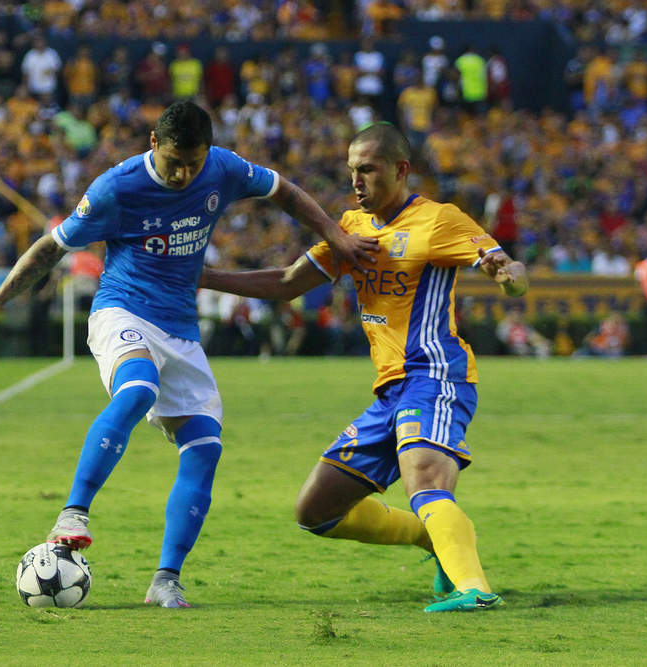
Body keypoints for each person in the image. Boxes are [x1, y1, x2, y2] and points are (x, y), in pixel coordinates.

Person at [0, 101, 378, 608]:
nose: (183, 175)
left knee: (205, 447)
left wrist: (333, 233)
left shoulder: (224, 168)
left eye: (193, 164)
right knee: (138, 388)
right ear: (154, 142)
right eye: (174, 162)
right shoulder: (117, 188)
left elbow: (283, 191)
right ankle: (73, 513)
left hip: (180, 329)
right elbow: (52, 246)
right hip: (123, 311)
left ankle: (165, 581)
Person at [199, 122, 528, 613]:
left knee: (424, 477)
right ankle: (434, 537)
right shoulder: (351, 228)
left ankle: (474, 590)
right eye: (352, 170)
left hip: (435, 375)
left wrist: (508, 277)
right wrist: (203, 277)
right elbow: (288, 283)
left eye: (368, 170)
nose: (356, 181)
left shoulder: (438, 220)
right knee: (316, 511)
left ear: (400, 170)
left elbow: (508, 267)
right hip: (390, 392)